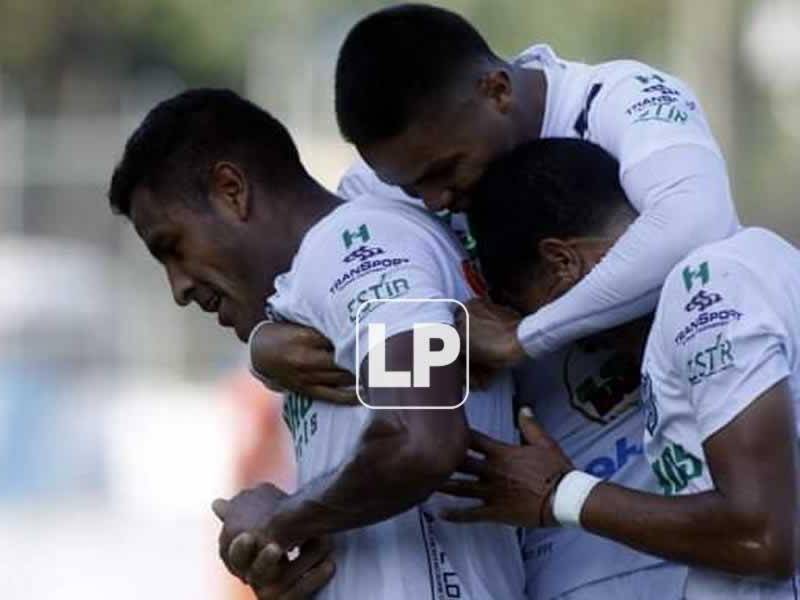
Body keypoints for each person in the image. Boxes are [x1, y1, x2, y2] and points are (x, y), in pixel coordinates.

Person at [107, 88, 525, 600]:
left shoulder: (358, 243)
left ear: (231, 189)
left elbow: (422, 437)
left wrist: (282, 521)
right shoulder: (315, 297)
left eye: (173, 247)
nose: (179, 288)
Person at [254, 2, 740, 402]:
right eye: (410, 188)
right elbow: (334, 288)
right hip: (531, 507)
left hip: (684, 483)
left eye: (444, 170)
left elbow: (695, 225)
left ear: (497, 91)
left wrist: (524, 339)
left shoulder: (622, 99)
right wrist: (267, 348)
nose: (437, 199)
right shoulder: (404, 173)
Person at [441, 138, 800, 598]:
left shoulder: (708, 288)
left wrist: (560, 494)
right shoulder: (735, 275)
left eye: (546, 316)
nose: (569, 339)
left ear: (563, 261)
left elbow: (762, 538)